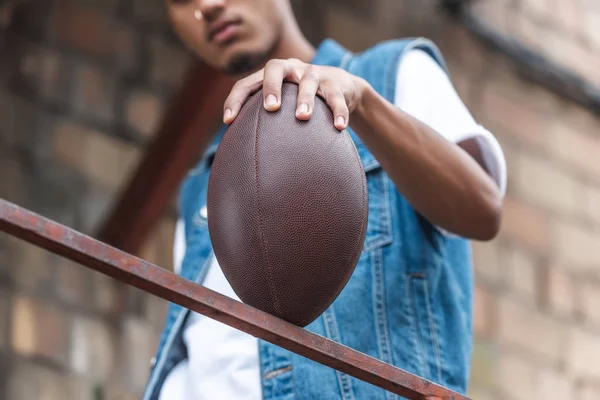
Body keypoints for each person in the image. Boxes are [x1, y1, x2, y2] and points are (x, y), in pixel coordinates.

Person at [144, 0, 507, 399]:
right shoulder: (203, 183)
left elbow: (483, 208)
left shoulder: (390, 75)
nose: (208, 5)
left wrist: (364, 105)